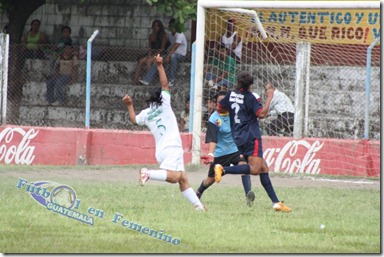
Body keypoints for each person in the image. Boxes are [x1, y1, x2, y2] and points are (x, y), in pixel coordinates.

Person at [123, 54, 206, 211]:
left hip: (161, 150)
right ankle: (147, 173)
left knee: (183, 178)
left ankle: (199, 206)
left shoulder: (146, 114)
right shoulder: (165, 105)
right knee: (175, 177)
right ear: (161, 98)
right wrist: (160, 65)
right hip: (172, 146)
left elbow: (134, 120)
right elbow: (165, 84)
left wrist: (129, 105)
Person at [215, 71, 292, 212]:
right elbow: (261, 114)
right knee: (255, 169)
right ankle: (223, 169)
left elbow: (220, 108)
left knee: (263, 168)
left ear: (238, 83)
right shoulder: (251, 97)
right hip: (251, 137)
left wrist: (234, 115)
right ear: (250, 85)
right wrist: (269, 98)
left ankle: (276, 202)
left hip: (236, 136)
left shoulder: (230, 94)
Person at [197, 91, 255, 207]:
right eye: (219, 102)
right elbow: (213, 139)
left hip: (235, 149)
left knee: (244, 166)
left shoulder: (235, 114)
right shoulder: (214, 118)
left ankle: (248, 195)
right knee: (210, 180)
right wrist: (211, 154)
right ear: (215, 103)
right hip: (220, 154)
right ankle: (198, 192)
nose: (222, 104)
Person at [139, 19, 187, 87]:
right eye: (171, 26)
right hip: (171, 53)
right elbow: (170, 45)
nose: (172, 28)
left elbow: (175, 47)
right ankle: (147, 80)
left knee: (173, 56)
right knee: (158, 60)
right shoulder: (170, 34)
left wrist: (168, 56)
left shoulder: (180, 34)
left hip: (180, 55)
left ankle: (171, 80)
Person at [133, 20, 168, 85]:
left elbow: (162, 49)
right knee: (141, 61)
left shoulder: (163, 36)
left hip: (160, 54)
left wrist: (153, 56)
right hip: (152, 53)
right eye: (154, 26)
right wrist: (149, 55)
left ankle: (148, 80)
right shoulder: (151, 36)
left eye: (157, 26)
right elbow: (150, 48)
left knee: (149, 61)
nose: (156, 27)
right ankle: (135, 80)